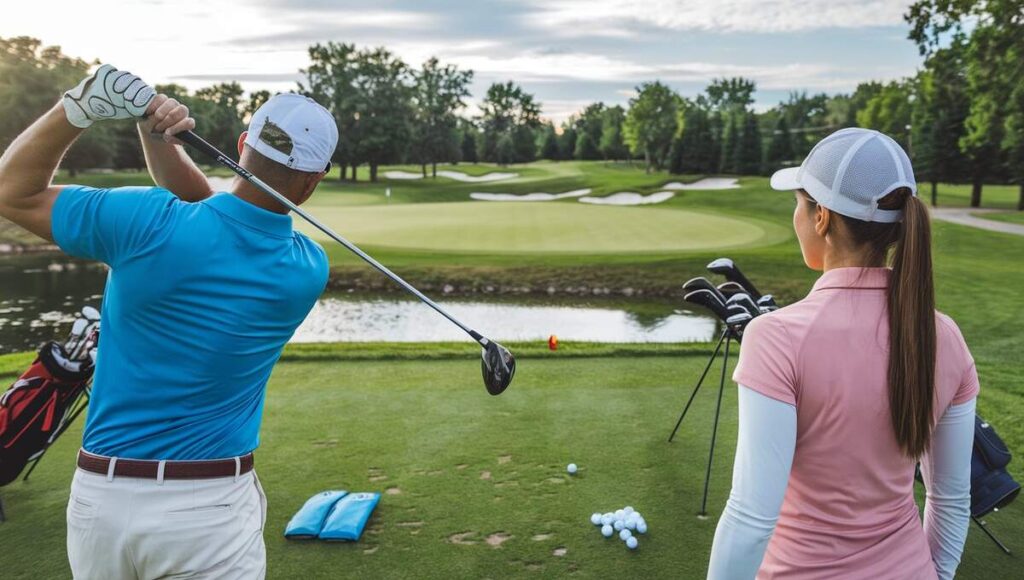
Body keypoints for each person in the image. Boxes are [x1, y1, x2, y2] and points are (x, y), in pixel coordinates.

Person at [0, 64, 338, 579]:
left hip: (99, 503)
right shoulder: (306, 268)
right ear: (314, 180)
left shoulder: (144, 220)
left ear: (242, 143)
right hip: (209, 510)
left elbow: (11, 191)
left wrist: (80, 107)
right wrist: (157, 138)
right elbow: (216, 214)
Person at [707, 128, 978, 579]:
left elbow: (751, 518)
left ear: (821, 217)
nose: (795, 215)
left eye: (799, 202)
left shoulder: (774, 337)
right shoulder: (945, 336)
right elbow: (951, 500)